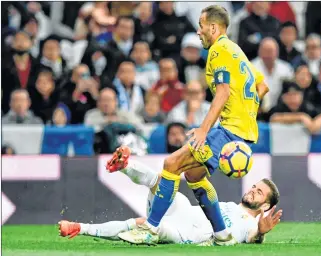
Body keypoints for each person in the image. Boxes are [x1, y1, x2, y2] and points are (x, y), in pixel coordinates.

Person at [106, 5, 269, 246]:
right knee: (193, 175)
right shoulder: (237, 51)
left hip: (229, 130)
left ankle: (150, 229)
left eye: (202, 26)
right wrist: (247, 112)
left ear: (213, 27)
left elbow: (223, 92)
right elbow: (262, 86)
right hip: (241, 130)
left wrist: (204, 129)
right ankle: (223, 235)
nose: (198, 31)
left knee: (171, 164)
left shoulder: (218, 51)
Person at [59, 148, 282, 245]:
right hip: (184, 211)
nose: (252, 190)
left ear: (265, 205)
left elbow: (253, 237)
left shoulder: (251, 224)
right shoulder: (231, 206)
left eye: (259, 192)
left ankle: (79, 227)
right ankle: (125, 165)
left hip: (188, 233)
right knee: (161, 182)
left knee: (142, 225)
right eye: (254, 186)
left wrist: (261, 233)